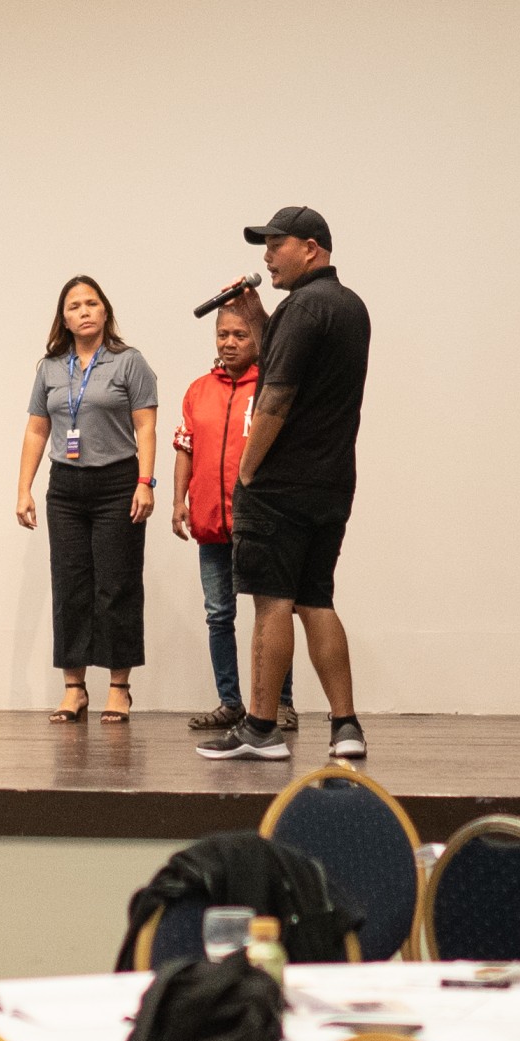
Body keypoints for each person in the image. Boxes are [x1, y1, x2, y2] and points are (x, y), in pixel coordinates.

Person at [196, 207, 370, 763]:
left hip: (280, 485)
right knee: (316, 598)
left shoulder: (304, 306)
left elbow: (276, 395)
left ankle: (261, 728)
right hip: (332, 480)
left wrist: (247, 471)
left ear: (312, 248)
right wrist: (262, 319)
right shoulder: (347, 306)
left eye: (276, 244)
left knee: (271, 603)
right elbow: (300, 369)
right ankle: (346, 726)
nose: (266, 255)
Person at [15, 276, 159, 720]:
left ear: (105, 311)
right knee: (71, 587)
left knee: (116, 585)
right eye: (74, 305)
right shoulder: (50, 368)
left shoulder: (128, 362)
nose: (84, 311)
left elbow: (146, 427)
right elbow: (37, 429)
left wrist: (145, 482)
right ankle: (74, 688)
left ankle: (119, 687)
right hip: (66, 489)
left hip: (118, 483)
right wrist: (24, 489)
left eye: (92, 303)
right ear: (64, 317)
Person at [171, 297, 296, 737]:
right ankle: (230, 702)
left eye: (239, 335)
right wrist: (178, 501)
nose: (229, 342)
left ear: (257, 341)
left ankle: (281, 704)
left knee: (274, 610)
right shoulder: (198, 390)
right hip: (210, 521)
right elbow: (185, 449)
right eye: (222, 334)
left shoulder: (270, 388)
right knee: (219, 615)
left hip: (260, 519)